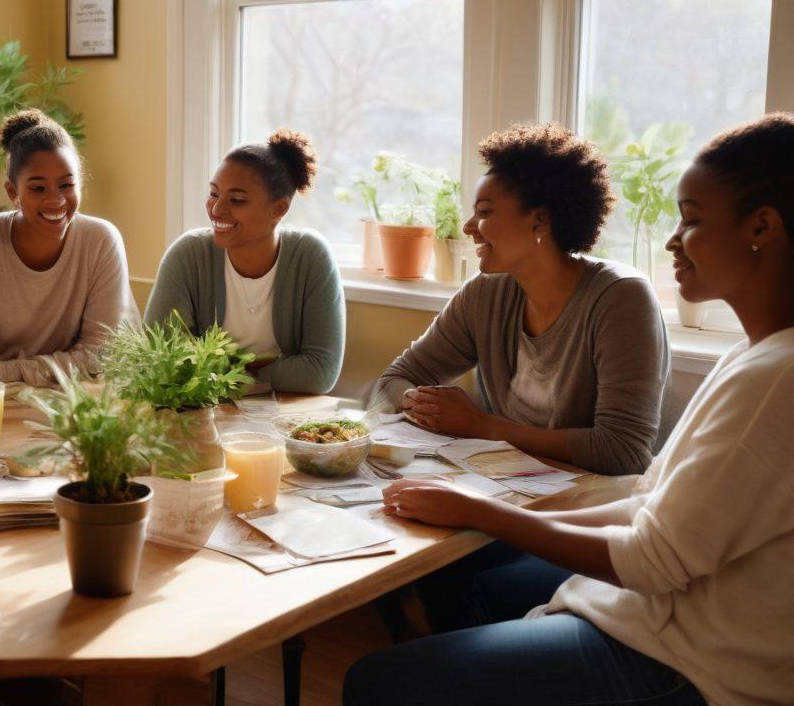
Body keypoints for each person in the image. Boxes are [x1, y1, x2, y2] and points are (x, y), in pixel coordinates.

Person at [347, 113, 794, 706]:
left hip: (689, 660)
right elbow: (653, 510)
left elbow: (647, 537)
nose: (672, 240)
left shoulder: (771, 375)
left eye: (691, 220)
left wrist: (483, 501)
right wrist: (469, 491)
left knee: (376, 681)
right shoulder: (753, 355)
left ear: (761, 226)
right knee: (460, 578)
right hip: (654, 612)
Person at [370, 123, 669, 476]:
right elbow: (396, 378)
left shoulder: (622, 298)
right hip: (502, 485)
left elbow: (623, 451)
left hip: (589, 497)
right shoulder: (485, 293)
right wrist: (424, 405)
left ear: (540, 221)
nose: (468, 227)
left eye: (484, 212)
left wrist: (483, 426)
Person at [0, 108, 131, 389]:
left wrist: (9, 372)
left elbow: (102, 359)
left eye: (66, 185)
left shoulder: (101, 241)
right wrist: (54, 371)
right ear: (13, 192)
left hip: (68, 404)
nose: (56, 200)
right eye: (38, 188)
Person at [144, 130, 344, 394]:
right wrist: (266, 370)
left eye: (237, 200)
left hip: (286, 411)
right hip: (203, 405)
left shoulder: (310, 257)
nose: (216, 209)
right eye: (214, 194)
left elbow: (320, 373)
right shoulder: (188, 255)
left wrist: (219, 369)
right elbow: (162, 356)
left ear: (278, 209)